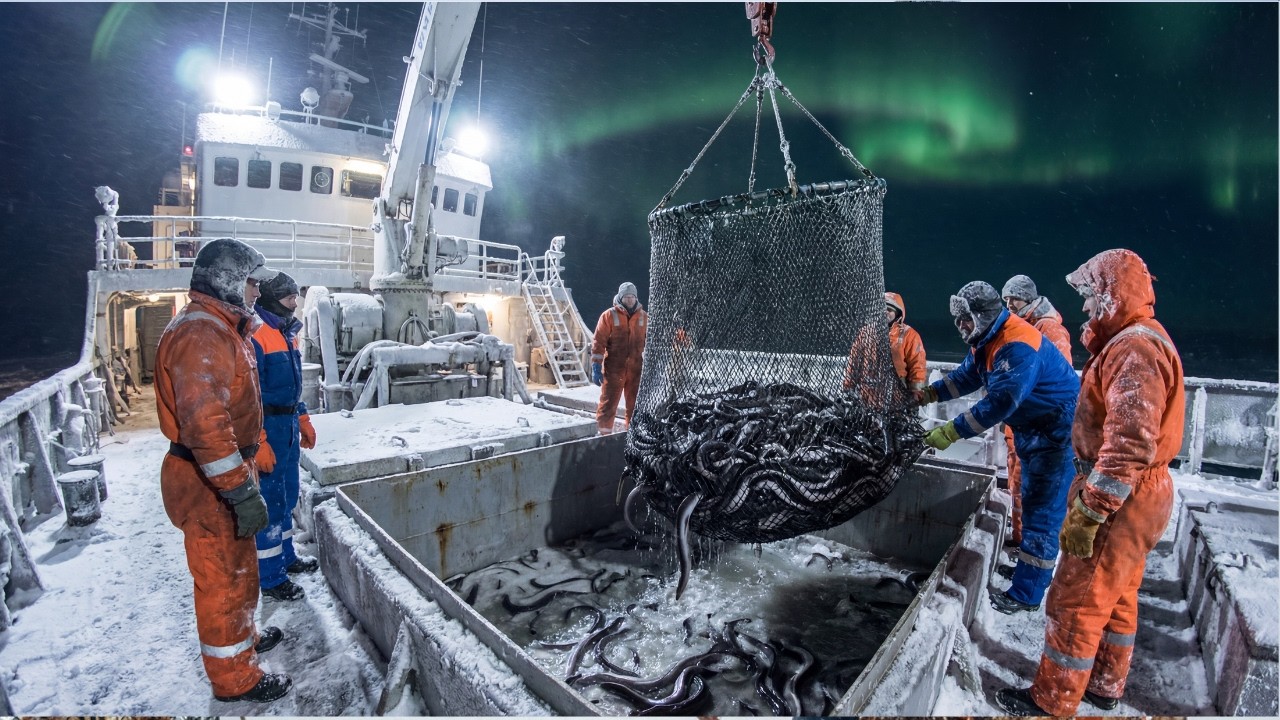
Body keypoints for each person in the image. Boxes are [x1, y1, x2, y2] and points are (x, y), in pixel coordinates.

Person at [997, 249, 1185, 716]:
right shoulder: (1141, 339)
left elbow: (1129, 444)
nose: (1084, 307)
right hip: (1144, 493)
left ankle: (1052, 701)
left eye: (1091, 295)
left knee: (1075, 600)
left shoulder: (1133, 349)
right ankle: (1105, 684)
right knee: (1118, 595)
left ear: (1112, 295)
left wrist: (1092, 507)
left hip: (1123, 495)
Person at [154, 238, 292, 703]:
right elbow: (207, 426)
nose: (256, 292)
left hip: (222, 475)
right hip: (206, 482)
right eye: (252, 282)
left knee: (239, 569)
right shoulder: (202, 335)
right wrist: (238, 489)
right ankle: (234, 679)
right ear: (231, 282)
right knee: (221, 580)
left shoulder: (221, 328)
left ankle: (245, 642)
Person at [915, 280, 1078, 615]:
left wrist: (950, 432)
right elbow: (965, 377)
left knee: (1043, 512)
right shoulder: (987, 338)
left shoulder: (1015, 344)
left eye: (966, 319)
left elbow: (999, 404)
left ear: (984, 316)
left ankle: (1027, 595)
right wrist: (929, 394)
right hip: (1033, 428)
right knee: (1031, 501)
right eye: (958, 320)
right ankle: (1026, 572)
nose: (961, 326)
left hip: (1057, 434)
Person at [997, 274, 1074, 577]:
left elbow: (1057, 377)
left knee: (1036, 497)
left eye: (1014, 299)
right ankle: (1020, 549)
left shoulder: (1048, 329)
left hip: (1039, 430)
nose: (1009, 305)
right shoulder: (1023, 328)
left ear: (1028, 298)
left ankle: (1031, 567)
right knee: (1018, 490)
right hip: (1019, 428)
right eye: (1006, 300)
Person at [250, 272, 319, 602]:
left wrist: (303, 419)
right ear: (272, 299)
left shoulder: (286, 333)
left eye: (295, 296)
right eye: (290, 297)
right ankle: (271, 577)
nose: (295, 302)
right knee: (271, 504)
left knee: (289, 496)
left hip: (288, 425)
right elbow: (249, 397)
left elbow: (292, 389)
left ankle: (287, 558)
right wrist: (259, 440)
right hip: (269, 430)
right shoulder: (258, 335)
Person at [591, 281, 648, 433]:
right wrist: (596, 364)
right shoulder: (609, 315)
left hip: (636, 370)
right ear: (621, 297)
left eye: (632, 297)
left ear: (636, 298)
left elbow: (652, 341)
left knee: (635, 405)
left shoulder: (644, 317)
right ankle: (603, 435)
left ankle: (633, 435)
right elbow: (599, 341)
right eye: (627, 296)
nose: (630, 299)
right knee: (608, 404)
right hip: (614, 369)